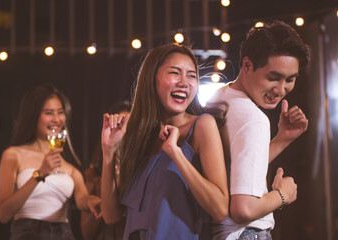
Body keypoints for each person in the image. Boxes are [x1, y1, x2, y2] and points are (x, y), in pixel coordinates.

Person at [101, 43, 229, 239]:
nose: (185, 82)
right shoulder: (138, 136)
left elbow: (219, 209)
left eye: (191, 75)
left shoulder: (202, 126)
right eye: (175, 73)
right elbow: (111, 216)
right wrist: (109, 152)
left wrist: (176, 153)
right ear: (152, 80)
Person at [209, 20, 310, 239]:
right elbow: (243, 209)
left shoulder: (220, 98)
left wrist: (282, 139)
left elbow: (233, 172)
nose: (281, 89)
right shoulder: (253, 119)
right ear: (247, 65)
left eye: (290, 80)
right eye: (273, 77)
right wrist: (283, 195)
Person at [0, 84, 101, 240]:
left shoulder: (70, 168)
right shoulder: (13, 155)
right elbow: (4, 214)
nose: (57, 119)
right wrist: (39, 174)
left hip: (63, 234)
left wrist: (92, 201)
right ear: (33, 115)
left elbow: (81, 200)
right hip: (26, 234)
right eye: (48, 113)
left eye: (60, 113)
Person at [81, 101, 131, 240]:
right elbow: (86, 231)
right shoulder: (93, 174)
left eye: (131, 126)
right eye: (120, 125)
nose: (125, 131)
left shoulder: (144, 168)